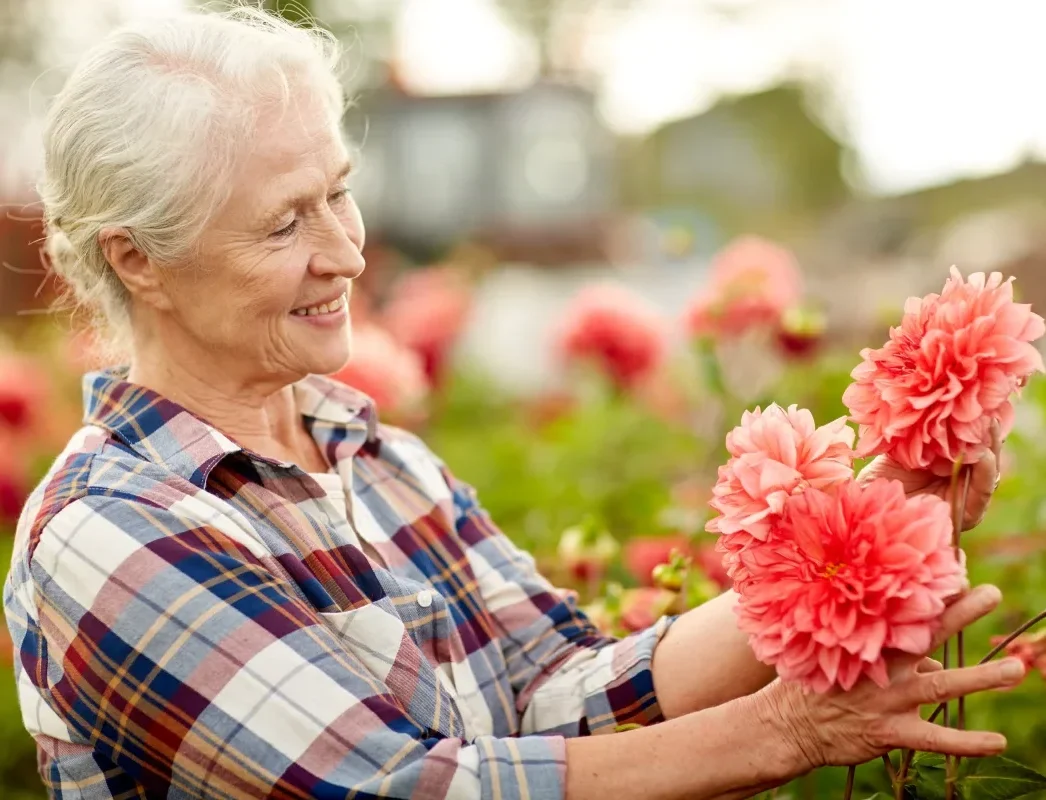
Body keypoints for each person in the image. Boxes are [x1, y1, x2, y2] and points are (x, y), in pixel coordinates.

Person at [2, 6, 1022, 799]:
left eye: (339, 191)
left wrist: (864, 536)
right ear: (141, 260)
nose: (347, 251)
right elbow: (398, 784)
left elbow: (563, 688)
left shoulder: (376, 458)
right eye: (284, 224)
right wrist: (785, 728)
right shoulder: (110, 529)